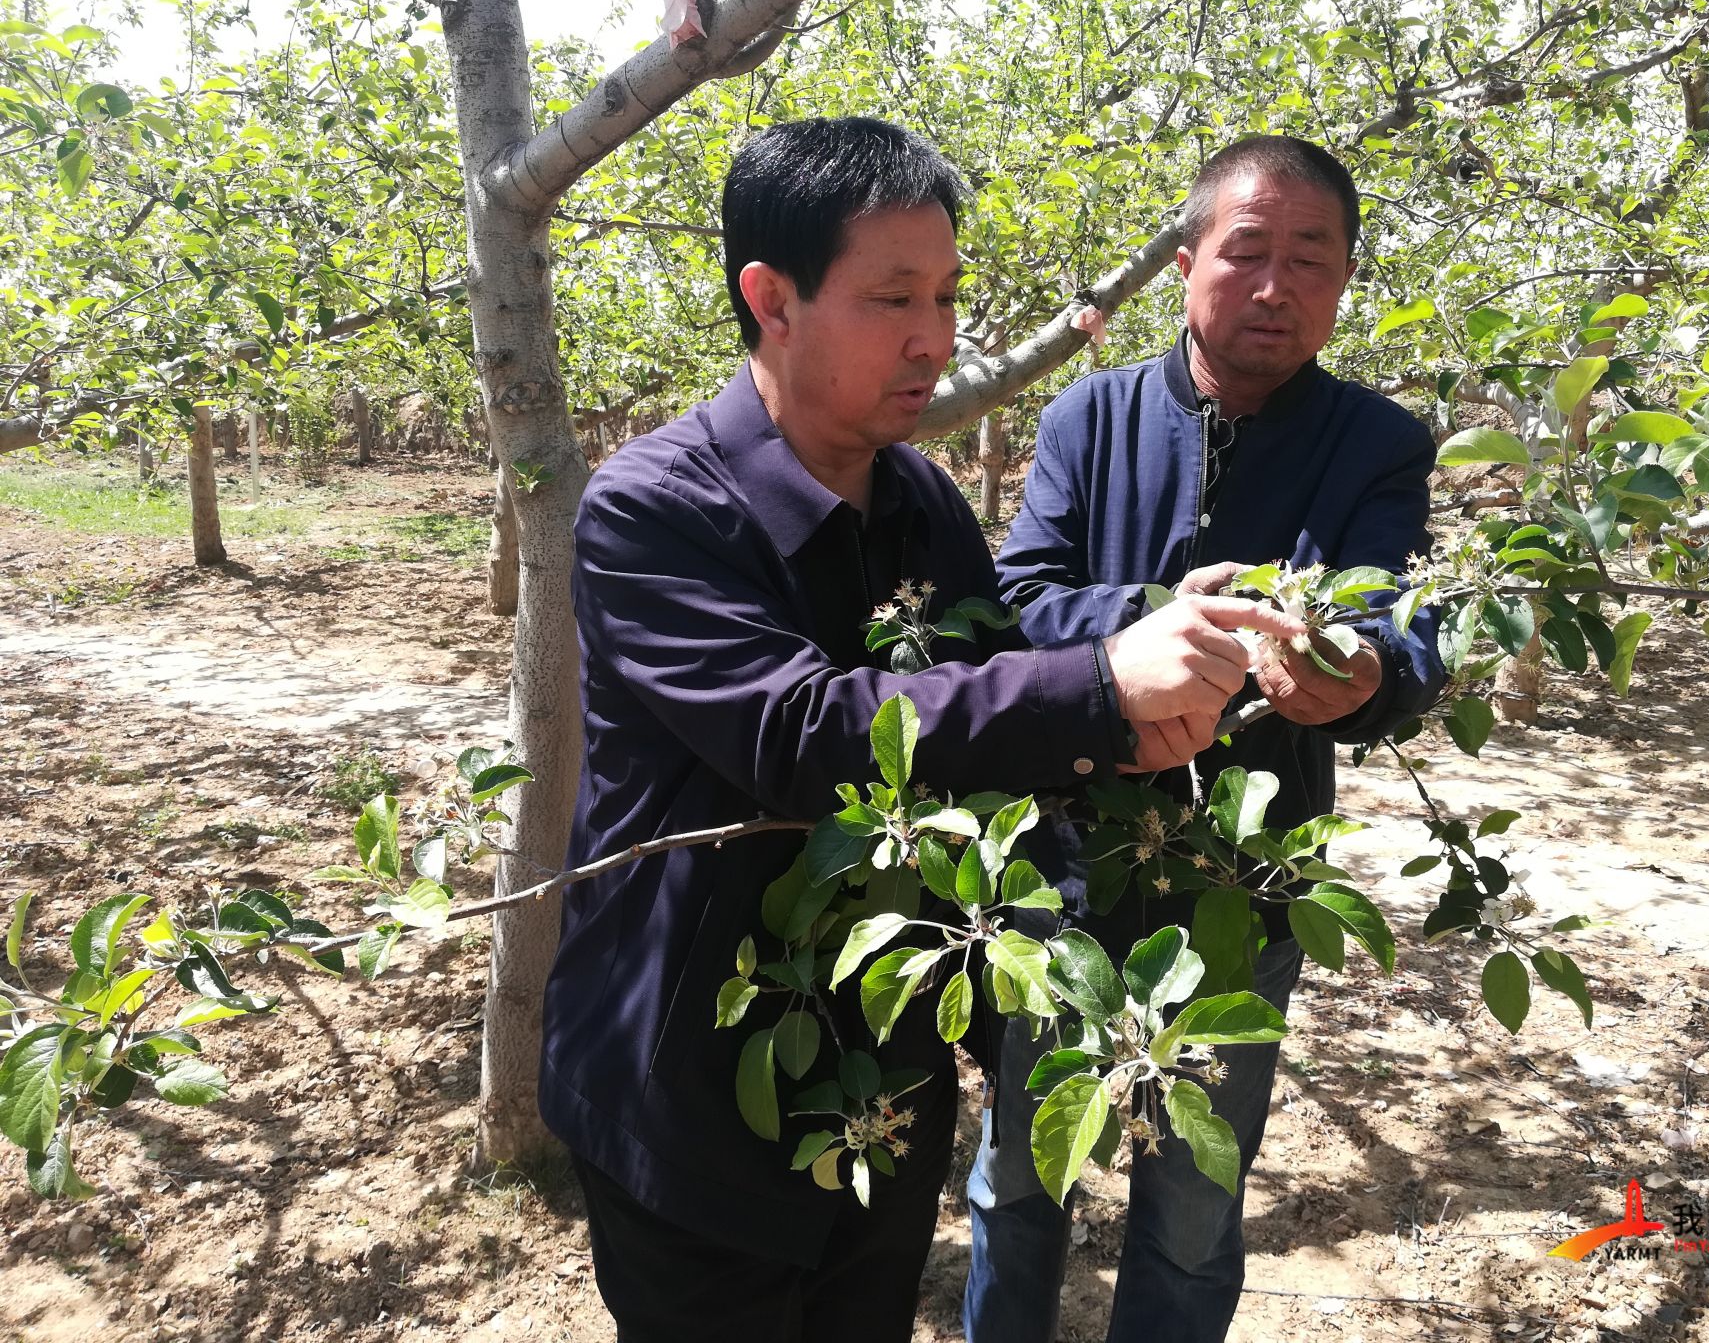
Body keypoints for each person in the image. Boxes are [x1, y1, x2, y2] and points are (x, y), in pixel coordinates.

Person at [538, 117, 1296, 1343]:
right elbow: (803, 730)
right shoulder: (653, 510)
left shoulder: (921, 498)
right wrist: (1098, 685)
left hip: (882, 1086)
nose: (935, 338)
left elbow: (988, 700)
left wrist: (1118, 736)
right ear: (770, 299)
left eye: (945, 295)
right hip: (684, 1089)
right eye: (893, 296)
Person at [965, 135, 1448, 1343]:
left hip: (1244, 890)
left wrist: (1372, 675)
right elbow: (1017, 595)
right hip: (1062, 871)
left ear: (1343, 283)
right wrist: (1148, 616)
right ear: (1187, 264)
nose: (1276, 287)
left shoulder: (1377, 442)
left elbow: (1403, 618)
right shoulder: (1093, 413)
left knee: (1190, 1213)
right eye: (1245, 253)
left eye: (1311, 261)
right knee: (1020, 1180)